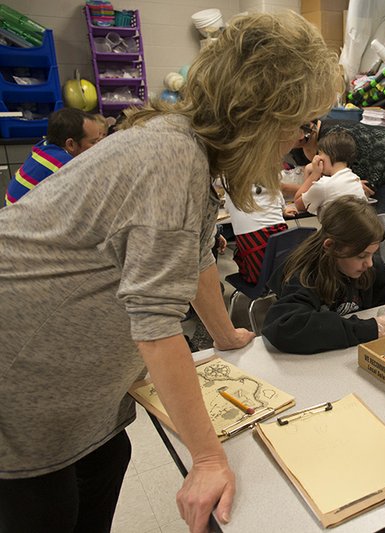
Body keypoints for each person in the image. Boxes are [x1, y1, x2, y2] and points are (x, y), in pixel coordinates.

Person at [0, 12, 341, 533]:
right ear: (258, 114)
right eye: (296, 124)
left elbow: (198, 255)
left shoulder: (190, 149)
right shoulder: (171, 157)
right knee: (47, 508)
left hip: (82, 389)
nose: (297, 141)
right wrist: (206, 459)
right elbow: (157, 326)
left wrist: (224, 334)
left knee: (105, 464)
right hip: (24, 378)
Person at [262, 196, 385, 355]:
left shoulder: (365, 267)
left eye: (371, 254)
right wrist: (370, 328)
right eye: (361, 256)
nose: (369, 263)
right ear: (331, 247)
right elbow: (284, 326)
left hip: (350, 356)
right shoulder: (306, 276)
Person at [288, 118, 385, 217]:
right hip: (368, 168)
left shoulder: (332, 138)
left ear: (301, 135)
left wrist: (314, 175)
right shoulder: (345, 176)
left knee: (382, 223)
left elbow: (300, 202)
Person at [4, 107, 104, 205]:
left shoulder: (44, 147)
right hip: (24, 218)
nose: (99, 146)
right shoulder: (64, 165)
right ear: (71, 144)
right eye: (93, 142)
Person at [225, 185, 293, 284]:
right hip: (285, 272)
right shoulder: (272, 183)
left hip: (257, 275)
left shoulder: (231, 187)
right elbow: (282, 207)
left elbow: (227, 209)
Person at [293, 130, 367, 215]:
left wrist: (314, 174)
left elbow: (298, 203)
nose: (318, 157)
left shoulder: (324, 185)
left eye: (320, 153)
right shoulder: (356, 180)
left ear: (329, 155)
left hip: (335, 228)